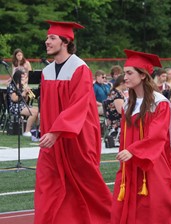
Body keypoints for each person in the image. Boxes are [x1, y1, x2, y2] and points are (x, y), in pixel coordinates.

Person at [34, 20, 112, 224]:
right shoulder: (46, 72)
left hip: (77, 136)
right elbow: (46, 107)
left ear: (66, 41)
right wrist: (47, 131)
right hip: (52, 138)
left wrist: (57, 131)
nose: (47, 42)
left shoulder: (80, 68)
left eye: (52, 38)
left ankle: (106, 219)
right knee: (48, 182)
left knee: (85, 183)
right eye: (47, 37)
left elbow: (79, 105)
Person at [111, 49, 171, 224]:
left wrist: (133, 151)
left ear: (143, 75)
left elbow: (156, 136)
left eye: (129, 73)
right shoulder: (128, 103)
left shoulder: (159, 103)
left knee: (156, 209)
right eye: (124, 73)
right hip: (129, 164)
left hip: (151, 164)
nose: (124, 77)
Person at [7, 69, 38, 137]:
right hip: (15, 107)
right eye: (22, 77)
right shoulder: (12, 86)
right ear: (17, 77)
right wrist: (23, 93)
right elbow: (14, 99)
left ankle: (37, 130)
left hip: (23, 105)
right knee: (33, 112)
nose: (24, 79)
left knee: (39, 110)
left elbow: (28, 99)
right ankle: (27, 131)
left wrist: (27, 93)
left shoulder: (23, 86)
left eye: (24, 77)